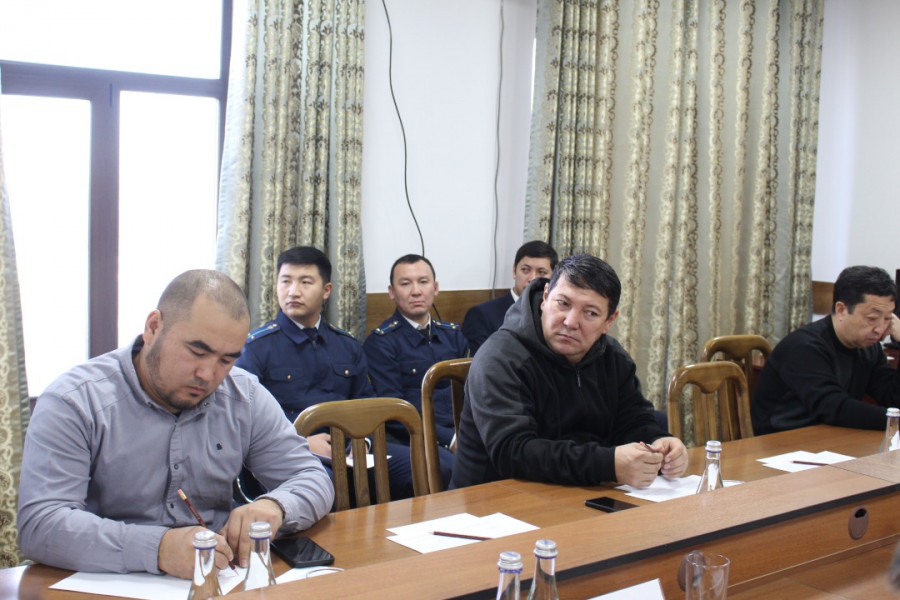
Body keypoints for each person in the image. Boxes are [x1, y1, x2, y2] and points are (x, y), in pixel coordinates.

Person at [17, 270, 333, 579]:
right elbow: (41, 524)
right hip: (102, 580)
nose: (208, 375)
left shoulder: (243, 395)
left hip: (217, 578)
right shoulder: (75, 401)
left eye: (226, 360)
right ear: (153, 327)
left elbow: (311, 477)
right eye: (197, 352)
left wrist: (275, 506)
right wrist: (158, 548)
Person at [450, 253, 687, 489]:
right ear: (545, 297)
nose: (571, 322)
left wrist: (659, 443)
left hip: (578, 491)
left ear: (609, 321)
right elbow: (514, 452)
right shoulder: (500, 358)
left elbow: (632, 419)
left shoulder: (612, 357)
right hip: (494, 499)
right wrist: (607, 464)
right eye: (563, 304)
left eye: (590, 313)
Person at [236, 246, 415, 499]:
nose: (293, 291)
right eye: (286, 281)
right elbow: (244, 418)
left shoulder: (347, 345)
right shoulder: (255, 347)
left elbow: (367, 405)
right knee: (325, 483)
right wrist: (301, 442)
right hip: (289, 451)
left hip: (348, 449)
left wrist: (362, 442)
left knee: (416, 466)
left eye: (305, 282)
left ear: (326, 291)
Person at [752, 265, 900, 434]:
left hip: (831, 436)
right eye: (872, 318)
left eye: (887, 319)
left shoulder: (868, 347)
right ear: (841, 310)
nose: (880, 329)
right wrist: (895, 420)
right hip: (782, 440)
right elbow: (833, 408)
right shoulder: (804, 347)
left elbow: (892, 399)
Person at [363, 254, 469, 483]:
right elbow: (394, 410)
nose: (416, 291)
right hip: (414, 435)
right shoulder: (381, 342)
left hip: (462, 430)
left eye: (423, 282)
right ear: (392, 292)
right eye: (405, 284)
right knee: (451, 468)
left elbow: (470, 391)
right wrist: (450, 439)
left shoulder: (453, 335)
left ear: (435, 288)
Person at [462, 240, 558, 354]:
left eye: (541, 272)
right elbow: (478, 361)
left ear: (554, 277)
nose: (532, 279)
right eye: (525, 270)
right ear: (514, 271)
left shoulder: (558, 316)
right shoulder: (482, 315)